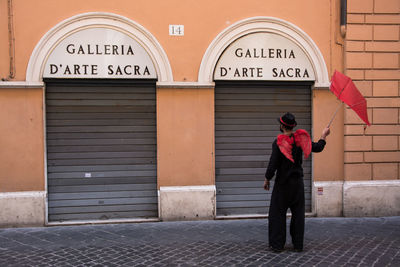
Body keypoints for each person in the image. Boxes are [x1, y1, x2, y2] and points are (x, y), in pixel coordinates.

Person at [263, 112, 330, 253]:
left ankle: (277, 245)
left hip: (282, 185)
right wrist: (324, 135)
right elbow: (318, 147)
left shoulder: (278, 142)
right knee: (298, 215)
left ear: (282, 126)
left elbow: (273, 164)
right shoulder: (300, 140)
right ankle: (298, 245)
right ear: (292, 126)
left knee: (277, 214)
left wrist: (267, 179)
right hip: (297, 185)